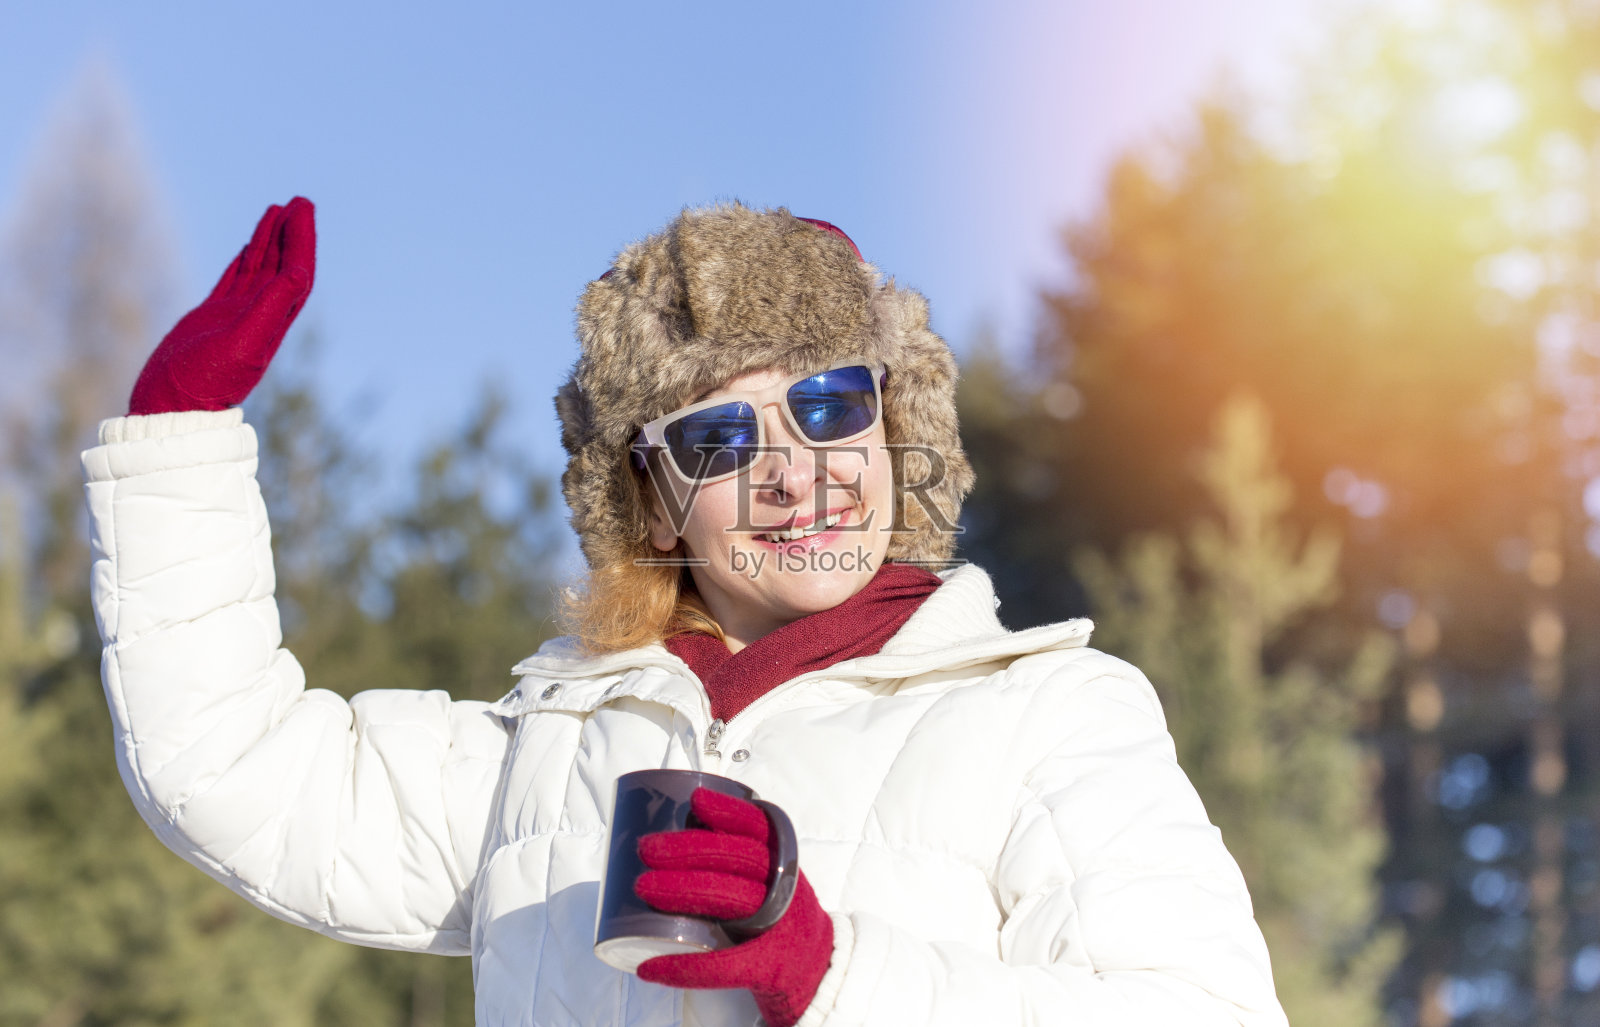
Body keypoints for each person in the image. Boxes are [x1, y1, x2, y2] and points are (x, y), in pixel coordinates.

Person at [83, 197, 1289, 1026]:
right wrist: (178, 441)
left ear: (895, 429)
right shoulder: (552, 748)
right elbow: (237, 770)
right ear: (653, 505)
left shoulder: (1047, 715)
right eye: (719, 438)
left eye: (828, 405)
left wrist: (829, 971)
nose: (794, 471)